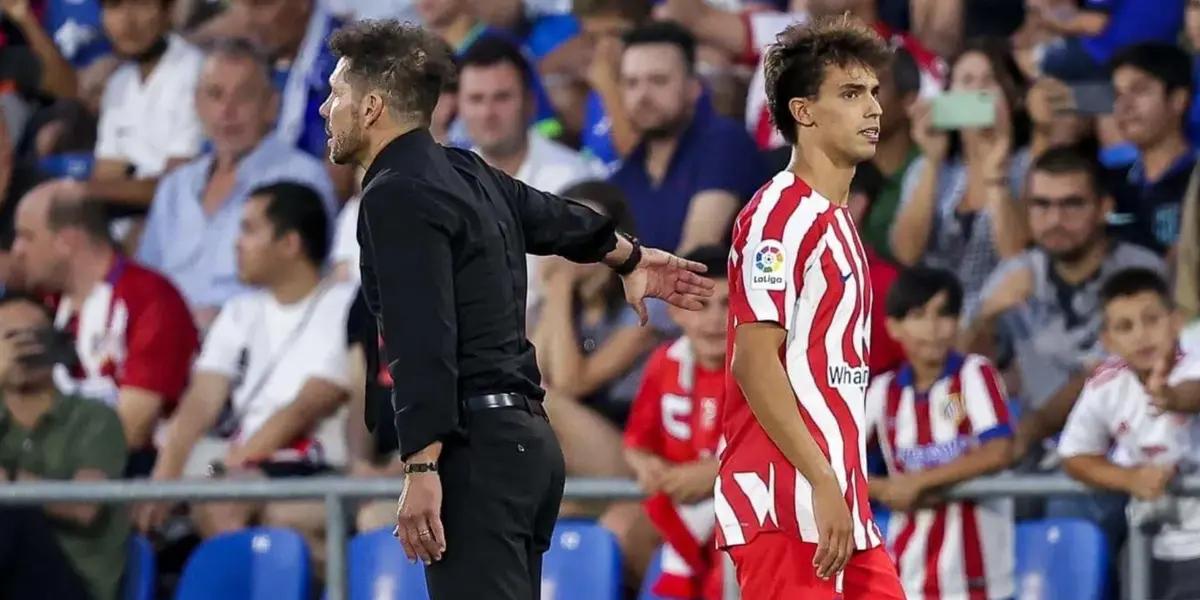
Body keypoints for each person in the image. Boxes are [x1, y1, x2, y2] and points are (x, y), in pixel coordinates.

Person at [320, 19, 713, 599]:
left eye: (337, 94)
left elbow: (421, 334)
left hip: (474, 453)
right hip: (527, 446)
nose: (327, 108)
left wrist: (422, 466)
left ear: (373, 106)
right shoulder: (467, 170)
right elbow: (554, 218)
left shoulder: (393, 193)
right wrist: (628, 258)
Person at [717, 14, 903, 599]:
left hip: (838, 502)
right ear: (804, 112)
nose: (872, 108)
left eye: (873, 93)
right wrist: (822, 483)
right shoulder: (779, 216)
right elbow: (754, 361)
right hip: (785, 500)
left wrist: (837, 489)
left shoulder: (838, 220)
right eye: (850, 94)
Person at [140, 183, 355, 564]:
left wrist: (227, 470)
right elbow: (201, 401)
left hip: (310, 461)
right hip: (244, 464)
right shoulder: (239, 311)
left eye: (249, 230)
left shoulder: (343, 304)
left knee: (224, 504)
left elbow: (307, 406)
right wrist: (165, 480)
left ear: (290, 244)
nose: (237, 243)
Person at [137, 38, 336, 329]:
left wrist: (224, 322)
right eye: (215, 95)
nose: (227, 111)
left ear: (271, 106)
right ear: (197, 104)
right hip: (167, 341)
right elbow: (148, 281)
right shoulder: (175, 187)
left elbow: (305, 286)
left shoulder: (301, 178)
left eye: (243, 96)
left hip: (252, 340)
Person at [10, 181, 198, 477]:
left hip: (133, 471)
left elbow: (132, 429)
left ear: (66, 241)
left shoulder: (151, 300)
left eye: (26, 237)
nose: (16, 250)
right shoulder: (45, 303)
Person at [865, 267, 1014, 599]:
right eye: (918, 315)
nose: (932, 328)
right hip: (909, 577)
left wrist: (919, 482)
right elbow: (833, 462)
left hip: (981, 582)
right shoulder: (883, 391)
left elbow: (1000, 450)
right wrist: (881, 487)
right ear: (893, 327)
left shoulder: (975, 374)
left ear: (958, 321)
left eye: (943, 314)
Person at [1058, 267, 1200, 600]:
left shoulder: (1195, 359)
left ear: (1176, 321)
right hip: (1153, 549)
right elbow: (1075, 456)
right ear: (1108, 340)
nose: (1141, 335)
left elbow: (1195, 392)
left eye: (1152, 320)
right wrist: (1130, 479)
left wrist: (1172, 398)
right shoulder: (1105, 386)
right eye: (1125, 327)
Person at [0, 292, 129, 600]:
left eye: (34, 337)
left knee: (9, 512)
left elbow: (84, 507)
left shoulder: (94, 417)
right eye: (10, 338)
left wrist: (12, 484)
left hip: (72, 583)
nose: (24, 348)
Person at [624, 244, 729, 599]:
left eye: (728, 305)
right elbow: (637, 443)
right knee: (623, 527)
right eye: (700, 304)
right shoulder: (663, 363)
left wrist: (715, 474)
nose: (714, 319)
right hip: (676, 504)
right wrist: (649, 468)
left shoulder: (766, 369)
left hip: (743, 510)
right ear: (676, 312)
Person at [608, 21, 768, 254]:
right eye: (632, 83)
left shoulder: (724, 142)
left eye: (658, 81)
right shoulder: (625, 173)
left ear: (694, 87)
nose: (643, 95)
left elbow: (697, 249)